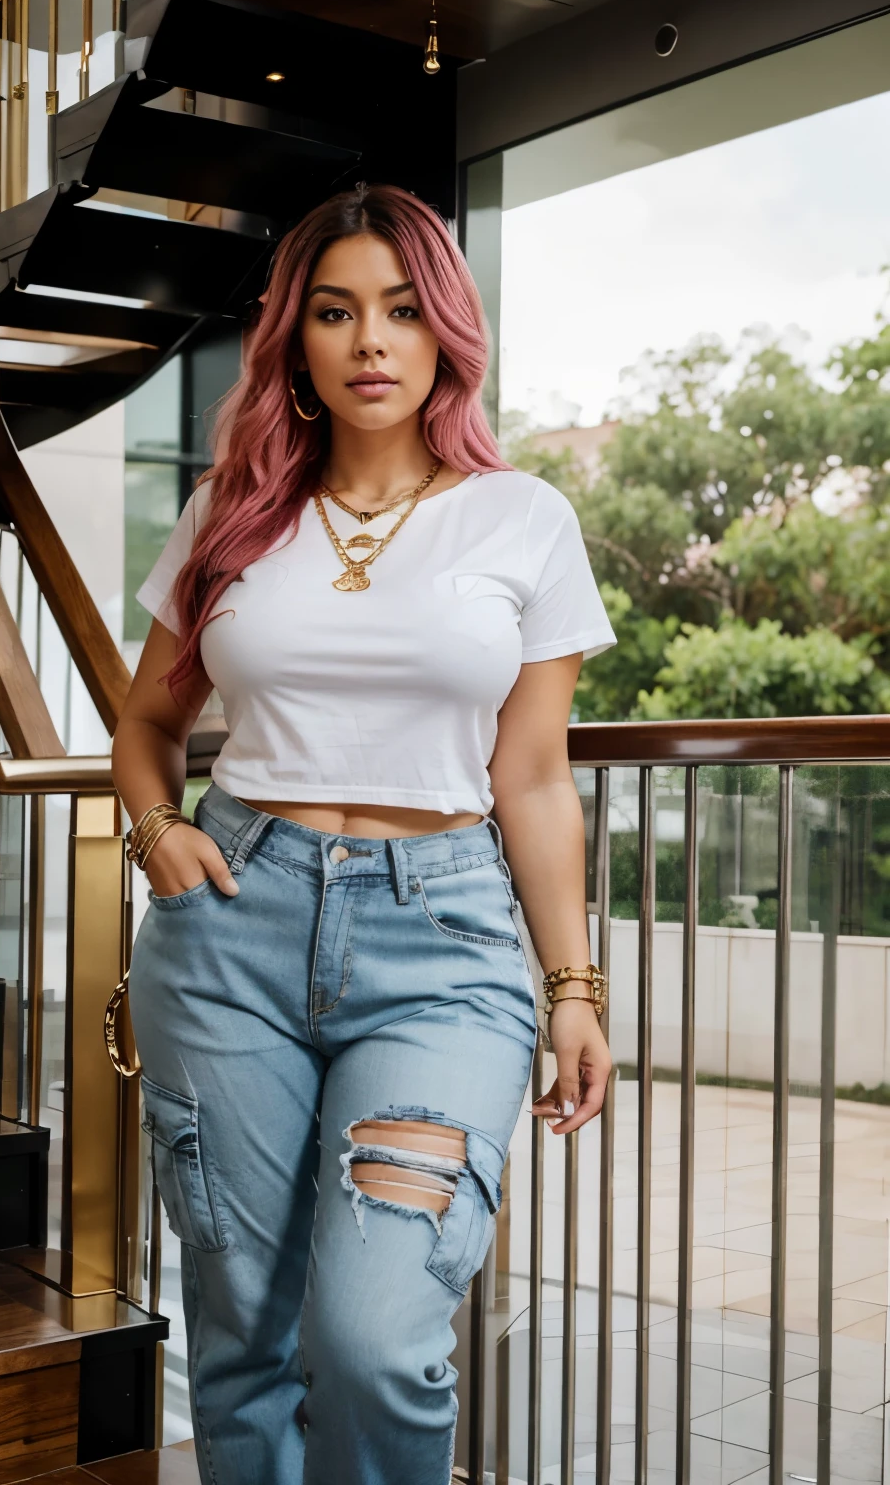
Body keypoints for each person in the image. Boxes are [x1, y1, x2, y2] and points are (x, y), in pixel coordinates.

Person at [112, 183, 615, 1485]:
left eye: (402, 309)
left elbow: (537, 777)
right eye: (335, 313)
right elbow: (144, 726)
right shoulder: (233, 514)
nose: (371, 341)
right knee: (242, 1332)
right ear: (298, 342)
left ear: (448, 329)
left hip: (440, 942)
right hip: (232, 924)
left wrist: (573, 986)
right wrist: (161, 830)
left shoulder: (523, 521)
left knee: (377, 1332)